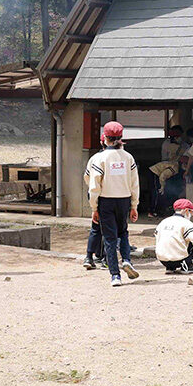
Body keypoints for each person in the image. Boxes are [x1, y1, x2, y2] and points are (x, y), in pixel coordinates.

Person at [86, 121, 141, 287]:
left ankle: (115, 275)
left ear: (105, 139)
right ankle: (126, 259)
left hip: (106, 201)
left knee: (109, 239)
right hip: (124, 199)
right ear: (121, 137)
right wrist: (134, 205)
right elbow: (135, 184)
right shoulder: (128, 157)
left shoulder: (100, 158)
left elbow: (94, 185)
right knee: (123, 232)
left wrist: (94, 207)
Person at [155, 199, 193, 273]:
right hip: (179, 260)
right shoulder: (186, 223)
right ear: (186, 210)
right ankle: (187, 265)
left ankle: (169, 268)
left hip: (162, 260)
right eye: (190, 212)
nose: (190, 215)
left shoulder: (163, 222)